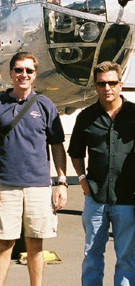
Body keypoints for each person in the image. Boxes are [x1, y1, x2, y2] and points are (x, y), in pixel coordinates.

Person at [0, 51, 68, 286]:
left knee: (35, 244)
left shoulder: (45, 105)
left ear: (35, 75)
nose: (23, 75)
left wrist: (62, 182)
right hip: (4, 186)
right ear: (11, 73)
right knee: (4, 243)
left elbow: (57, 146)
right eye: (19, 70)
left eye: (28, 70)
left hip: (38, 185)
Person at [68, 61, 135, 286]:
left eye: (112, 83)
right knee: (92, 256)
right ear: (95, 86)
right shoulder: (86, 117)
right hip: (95, 198)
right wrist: (81, 179)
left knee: (127, 258)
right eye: (102, 84)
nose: (107, 88)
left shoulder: (134, 114)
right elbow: (75, 152)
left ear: (120, 85)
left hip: (127, 199)